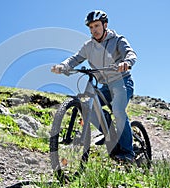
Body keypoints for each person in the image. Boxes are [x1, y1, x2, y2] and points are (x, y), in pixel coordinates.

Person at [51, 10, 137, 162]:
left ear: (105, 25)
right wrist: (63, 66)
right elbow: (75, 58)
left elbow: (130, 53)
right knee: (86, 108)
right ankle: (111, 136)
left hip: (122, 81)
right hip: (105, 85)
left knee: (118, 110)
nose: (94, 30)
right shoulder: (88, 46)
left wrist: (126, 62)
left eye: (97, 26)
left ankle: (127, 152)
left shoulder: (117, 40)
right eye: (91, 27)